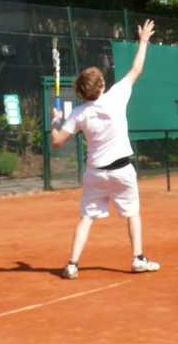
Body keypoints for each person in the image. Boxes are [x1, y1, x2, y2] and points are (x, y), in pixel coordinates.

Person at [51, 19, 160, 280]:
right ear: (100, 85)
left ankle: (72, 264)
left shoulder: (78, 113)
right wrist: (144, 40)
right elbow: (136, 69)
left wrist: (55, 120)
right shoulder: (116, 96)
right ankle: (138, 258)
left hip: (95, 174)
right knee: (132, 213)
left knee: (86, 218)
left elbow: (56, 141)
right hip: (122, 171)